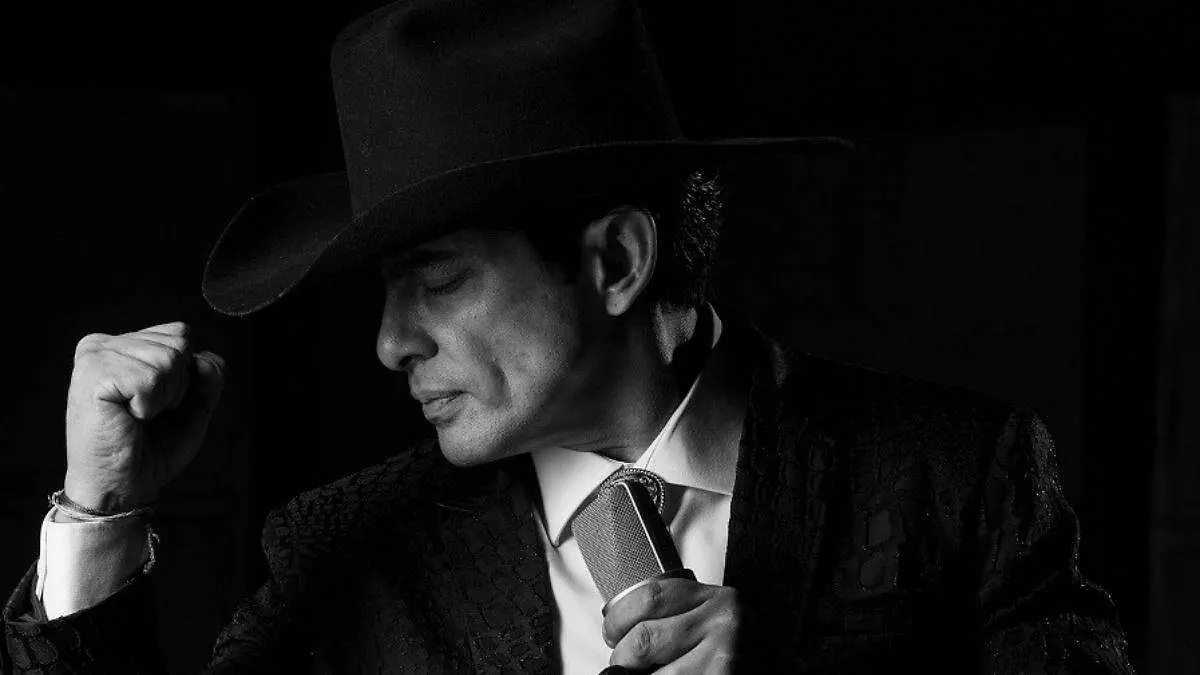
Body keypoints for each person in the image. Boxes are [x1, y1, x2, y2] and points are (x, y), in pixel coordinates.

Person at [2, 0, 1136, 673]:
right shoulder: (347, 550)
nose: (391, 343)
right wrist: (99, 514)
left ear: (616, 262)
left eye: (436, 280)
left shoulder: (958, 476)